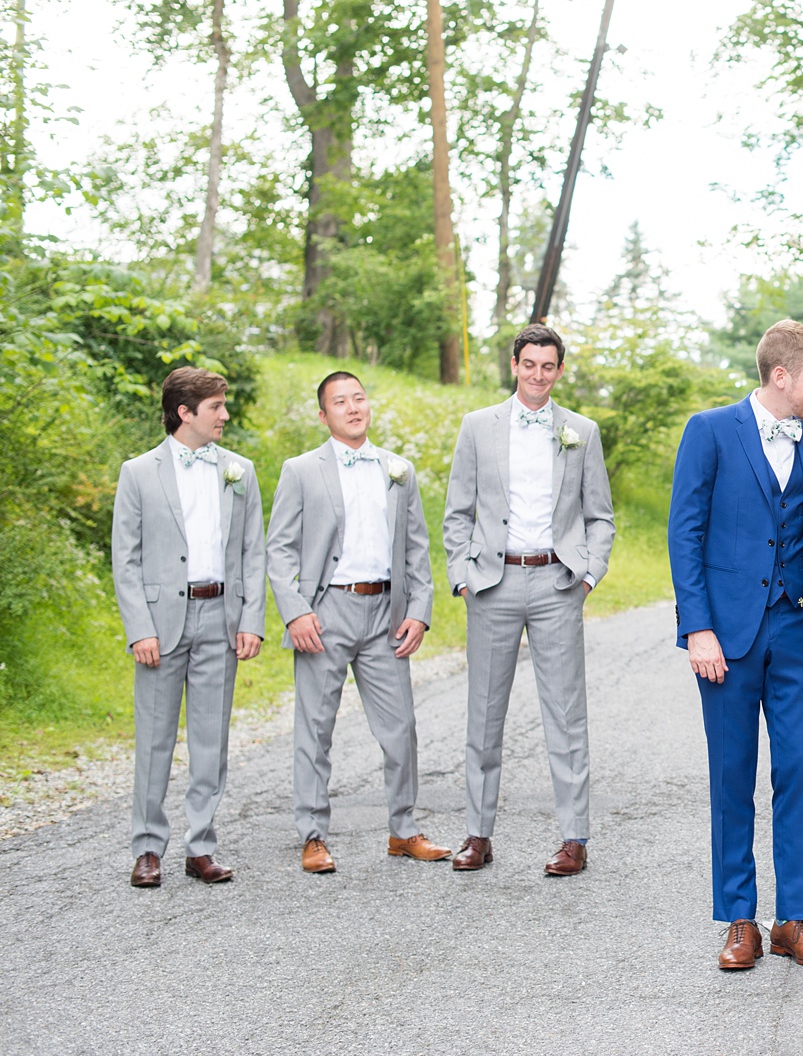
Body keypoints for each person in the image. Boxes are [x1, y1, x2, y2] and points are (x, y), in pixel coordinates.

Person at [668, 319, 803, 970]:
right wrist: (697, 627)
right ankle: (739, 918)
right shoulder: (710, 431)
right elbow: (684, 533)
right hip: (728, 639)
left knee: (799, 772)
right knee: (732, 776)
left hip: (800, 631)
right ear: (782, 375)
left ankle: (792, 918)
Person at [442, 324, 616, 875]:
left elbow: (600, 516)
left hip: (556, 583)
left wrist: (587, 575)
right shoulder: (478, 427)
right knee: (484, 714)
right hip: (492, 583)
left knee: (566, 714)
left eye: (548, 366)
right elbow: (456, 512)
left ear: (559, 371)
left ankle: (574, 838)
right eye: (529, 364)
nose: (538, 374)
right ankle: (478, 833)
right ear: (513, 365)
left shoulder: (581, 431)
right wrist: (463, 575)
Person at [266, 371, 449, 874]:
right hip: (325, 614)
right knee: (315, 729)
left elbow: (416, 548)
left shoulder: (398, 470)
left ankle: (404, 830)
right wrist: (296, 610)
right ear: (323, 415)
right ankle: (312, 836)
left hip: (385, 614)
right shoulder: (301, 470)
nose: (353, 408)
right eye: (340, 402)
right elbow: (279, 548)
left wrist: (418, 610)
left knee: (401, 728)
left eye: (359, 399)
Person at [111, 366, 265, 887]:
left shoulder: (240, 471)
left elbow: (252, 553)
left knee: (210, 740)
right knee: (154, 739)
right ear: (186, 412)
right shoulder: (138, 472)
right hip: (161, 622)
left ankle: (200, 846)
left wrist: (251, 619)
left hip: (220, 616)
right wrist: (140, 628)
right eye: (217, 407)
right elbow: (125, 559)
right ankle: (148, 848)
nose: (225, 414)